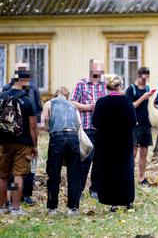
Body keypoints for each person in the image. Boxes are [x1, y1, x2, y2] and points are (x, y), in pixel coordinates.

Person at [92, 75, 136, 212]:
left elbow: (95, 123)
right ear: (119, 86)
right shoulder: (127, 102)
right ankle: (127, 200)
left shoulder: (101, 102)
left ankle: (113, 203)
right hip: (124, 142)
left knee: (109, 171)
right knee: (125, 170)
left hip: (106, 143)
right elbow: (133, 121)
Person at [0, 63, 38, 215]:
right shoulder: (27, 100)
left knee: (2, 176)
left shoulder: (1, 97)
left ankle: (1, 208)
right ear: (25, 80)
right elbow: (33, 126)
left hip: (3, 142)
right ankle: (16, 208)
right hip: (22, 143)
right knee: (17, 176)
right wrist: (34, 145)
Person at [40, 87, 81, 215]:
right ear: (67, 96)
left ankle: (53, 208)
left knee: (54, 173)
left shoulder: (49, 103)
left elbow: (42, 122)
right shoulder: (73, 106)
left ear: (55, 95)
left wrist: (50, 128)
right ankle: (73, 208)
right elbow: (78, 124)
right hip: (73, 137)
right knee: (74, 173)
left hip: (57, 138)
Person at [71, 59, 106, 198]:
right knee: (86, 159)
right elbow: (72, 102)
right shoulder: (81, 84)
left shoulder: (105, 84)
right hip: (86, 127)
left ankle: (95, 189)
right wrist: (88, 107)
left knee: (100, 159)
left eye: (100, 68)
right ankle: (78, 189)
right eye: (96, 68)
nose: (98, 71)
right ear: (91, 68)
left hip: (103, 128)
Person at [125, 67, 154, 186]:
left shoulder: (147, 88)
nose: (145, 80)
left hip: (145, 124)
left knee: (144, 151)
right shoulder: (131, 89)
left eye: (147, 77)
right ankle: (128, 176)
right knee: (133, 151)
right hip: (134, 124)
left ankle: (142, 177)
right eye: (143, 77)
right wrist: (143, 98)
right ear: (138, 76)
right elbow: (129, 106)